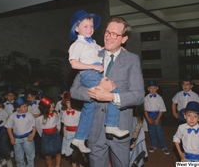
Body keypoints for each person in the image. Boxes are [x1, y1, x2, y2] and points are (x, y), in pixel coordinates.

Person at [70, 16, 145, 167]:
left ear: (124, 39)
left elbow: (138, 95)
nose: (108, 37)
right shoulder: (91, 54)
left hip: (120, 128)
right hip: (94, 129)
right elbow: (74, 91)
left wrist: (110, 96)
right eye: (107, 32)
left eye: (114, 34)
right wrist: (95, 92)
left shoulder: (132, 59)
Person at [69, 10, 128, 153]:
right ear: (77, 29)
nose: (89, 29)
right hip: (89, 74)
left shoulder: (92, 43)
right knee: (114, 92)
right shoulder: (76, 45)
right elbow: (74, 64)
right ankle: (111, 125)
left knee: (88, 107)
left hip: (92, 73)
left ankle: (79, 138)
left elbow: (101, 50)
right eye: (85, 26)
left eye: (91, 26)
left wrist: (118, 48)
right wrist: (93, 66)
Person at [5, 97, 36, 167]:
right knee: (18, 156)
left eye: (26, 106)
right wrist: (11, 138)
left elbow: (34, 127)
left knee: (30, 154)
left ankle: (30, 165)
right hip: (17, 140)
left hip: (27, 138)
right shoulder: (12, 116)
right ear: (17, 108)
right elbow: (8, 127)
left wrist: (32, 136)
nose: (26, 108)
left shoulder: (29, 115)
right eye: (24, 106)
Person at [143, 79, 170, 154]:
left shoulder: (159, 98)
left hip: (157, 116)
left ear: (157, 88)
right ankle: (153, 145)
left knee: (159, 132)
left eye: (154, 88)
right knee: (151, 132)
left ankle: (163, 146)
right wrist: (148, 119)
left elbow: (161, 110)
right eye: (151, 88)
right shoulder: (146, 98)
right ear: (148, 89)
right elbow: (145, 110)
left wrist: (158, 119)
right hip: (149, 116)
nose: (152, 90)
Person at [61, 91, 87, 167]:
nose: (68, 104)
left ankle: (81, 164)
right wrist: (65, 135)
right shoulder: (64, 113)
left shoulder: (78, 112)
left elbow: (82, 125)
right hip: (68, 135)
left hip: (77, 134)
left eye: (69, 102)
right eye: (67, 102)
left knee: (78, 154)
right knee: (72, 155)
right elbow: (64, 126)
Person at [36, 96, 62, 167]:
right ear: (46, 107)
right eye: (51, 104)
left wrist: (57, 132)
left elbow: (58, 124)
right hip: (45, 136)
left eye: (53, 103)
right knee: (47, 155)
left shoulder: (56, 114)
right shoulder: (40, 118)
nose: (53, 105)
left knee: (58, 152)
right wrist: (43, 135)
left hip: (55, 134)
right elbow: (39, 129)